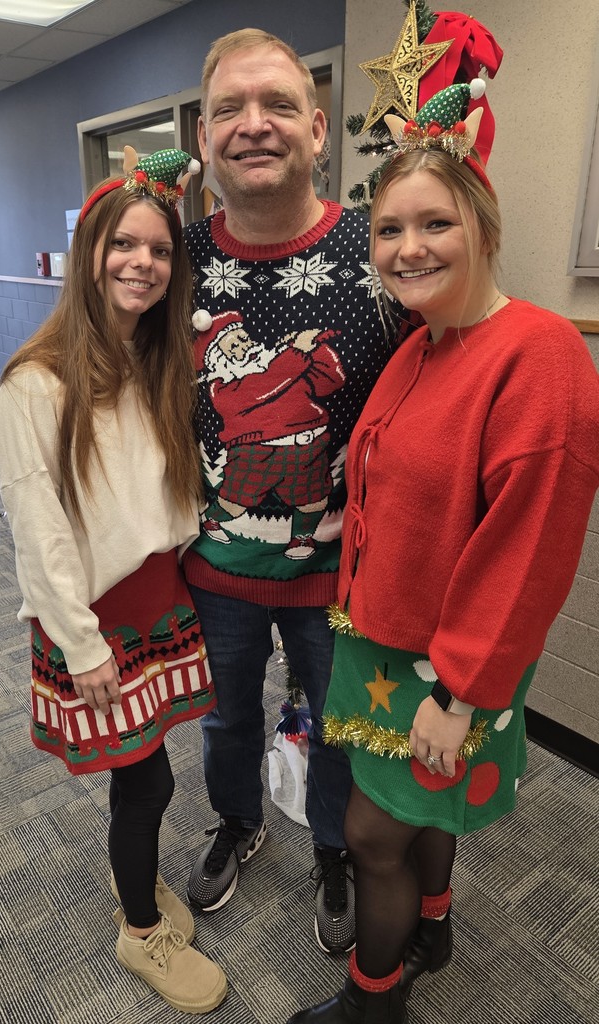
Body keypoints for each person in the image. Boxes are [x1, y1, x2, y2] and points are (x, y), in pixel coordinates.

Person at [287, 89, 599, 1021]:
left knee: (370, 833)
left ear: (484, 225)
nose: (407, 247)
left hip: (449, 661)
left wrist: (462, 693)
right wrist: (358, 519)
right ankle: (433, 923)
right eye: (387, 228)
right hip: (383, 633)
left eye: (435, 222)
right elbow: (416, 475)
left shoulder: (538, 354)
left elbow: (530, 548)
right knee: (413, 818)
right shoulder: (425, 344)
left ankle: (373, 1003)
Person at [183, 28, 415, 954]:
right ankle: (239, 821)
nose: (254, 126)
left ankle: (334, 847)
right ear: (204, 139)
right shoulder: (177, 262)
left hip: (346, 576)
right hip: (216, 566)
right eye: (230, 109)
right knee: (227, 717)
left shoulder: (383, 248)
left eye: (277, 104)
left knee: (341, 729)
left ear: (320, 131)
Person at [0, 148, 228, 1015]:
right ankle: (137, 928)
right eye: (123, 244)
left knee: (152, 772)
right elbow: (38, 534)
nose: (142, 263)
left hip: (159, 597)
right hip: (95, 619)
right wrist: (80, 645)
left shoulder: (152, 359)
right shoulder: (34, 385)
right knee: (150, 781)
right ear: (89, 251)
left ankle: (137, 884)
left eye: (160, 250)